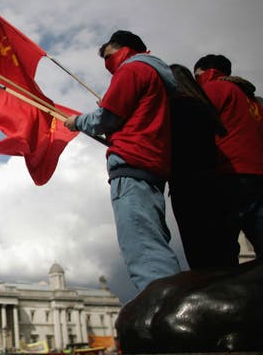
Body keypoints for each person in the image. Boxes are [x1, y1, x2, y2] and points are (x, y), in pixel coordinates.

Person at [64, 30, 181, 291]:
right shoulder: (157, 75)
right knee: (153, 237)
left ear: (122, 49)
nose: (108, 65)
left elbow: (107, 117)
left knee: (143, 247)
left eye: (108, 56)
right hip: (152, 164)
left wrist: (78, 122)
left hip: (132, 163)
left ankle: (161, 309)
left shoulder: (132, 70)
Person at [194, 54, 263, 262]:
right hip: (258, 176)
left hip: (230, 173)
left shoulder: (214, 89)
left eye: (197, 77)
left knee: (220, 247)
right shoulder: (254, 101)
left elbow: (195, 127)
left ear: (207, 72)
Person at [168, 64, 227, 268]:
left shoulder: (176, 107)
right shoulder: (203, 106)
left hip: (188, 185)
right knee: (223, 251)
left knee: (201, 254)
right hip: (216, 182)